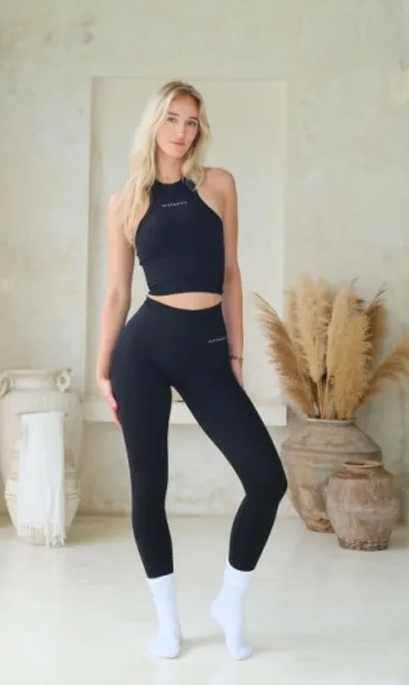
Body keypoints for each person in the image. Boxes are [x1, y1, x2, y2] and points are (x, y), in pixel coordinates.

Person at [94, 80, 288, 661]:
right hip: (143, 353)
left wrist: (235, 355)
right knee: (149, 489)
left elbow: (231, 273)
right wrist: (103, 368)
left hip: (206, 348)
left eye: (192, 122)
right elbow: (117, 293)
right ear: (154, 123)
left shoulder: (218, 184)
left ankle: (231, 600)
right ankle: (168, 622)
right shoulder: (126, 202)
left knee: (267, 480)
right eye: (172, 119)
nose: (182, 132)